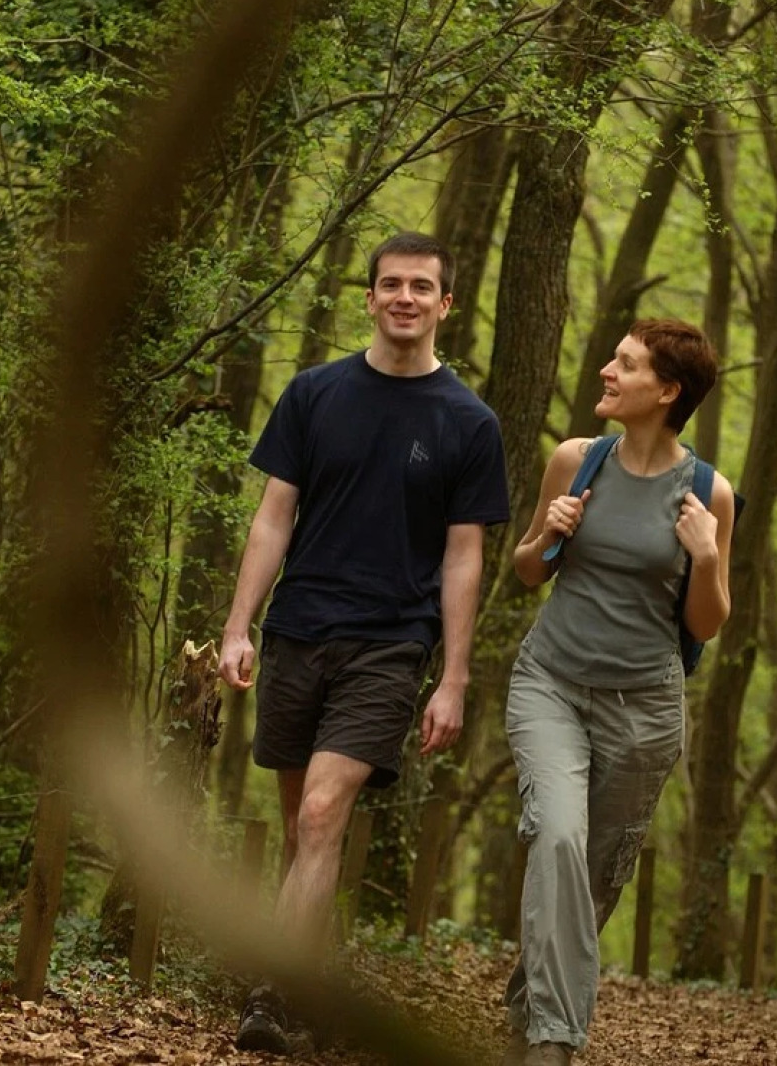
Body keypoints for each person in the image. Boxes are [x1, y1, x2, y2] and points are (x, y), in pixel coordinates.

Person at [218, 231, 510, 1054]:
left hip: (391, 645)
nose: (406, 298)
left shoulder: (469, 422)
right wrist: (238, 627)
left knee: (319, 813)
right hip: (297, 631)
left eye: (423, 286)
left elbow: (464, 557)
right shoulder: (314, 394)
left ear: (446, 303)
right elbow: (273, 517)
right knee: (304, 829)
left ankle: (270, 997)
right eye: (392, 285)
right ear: (371, 297)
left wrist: (452, 678)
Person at [499, 319, 734, 1066]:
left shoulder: (708, 493)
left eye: (625, 364)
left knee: (595, 875)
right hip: (553, 684)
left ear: (666, 391)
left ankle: (530, 999)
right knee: (558, 835)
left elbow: (706, 621)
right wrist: (549, 533)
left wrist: (705, 559)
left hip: (645, 709)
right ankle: (553, 1042)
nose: (606, 370)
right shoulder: (576, 460)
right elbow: (528, 569)